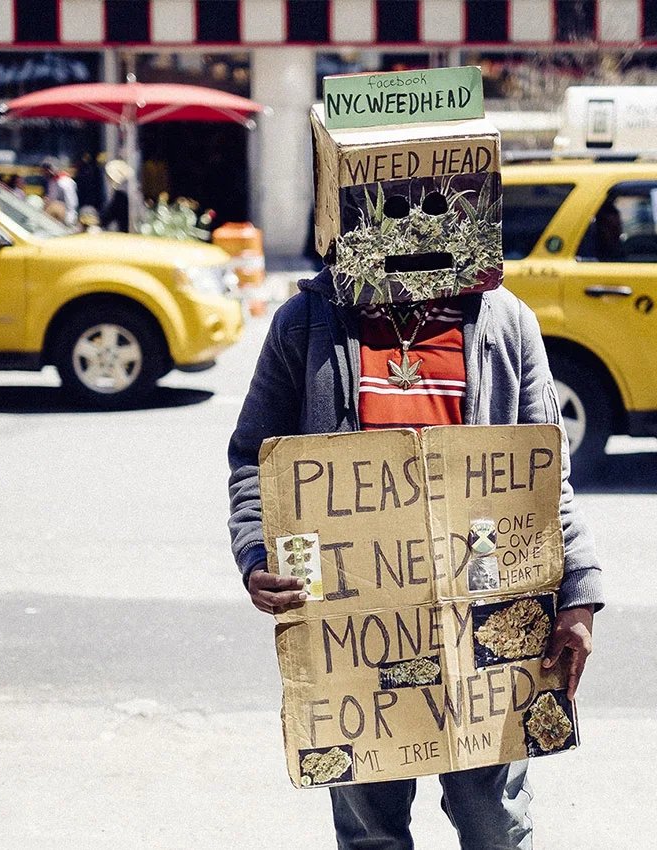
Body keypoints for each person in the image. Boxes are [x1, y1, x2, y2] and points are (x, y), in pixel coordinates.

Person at [227, 209, 603, 849]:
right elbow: (254, 457)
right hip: (355, 627)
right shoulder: (307, 323)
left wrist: (579, 595)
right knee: (371, 831)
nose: (414, 221)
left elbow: (544, 479)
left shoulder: (506, 322)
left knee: (497, 825)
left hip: (485, 615)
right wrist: (257, 549)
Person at [42, 159, 79, 226]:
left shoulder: (65, 181)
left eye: (47, 170)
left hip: (65, 217)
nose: (45, 173)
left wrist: (70, 220)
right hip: (53, 217)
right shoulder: (52, 181)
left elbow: (71, 203)